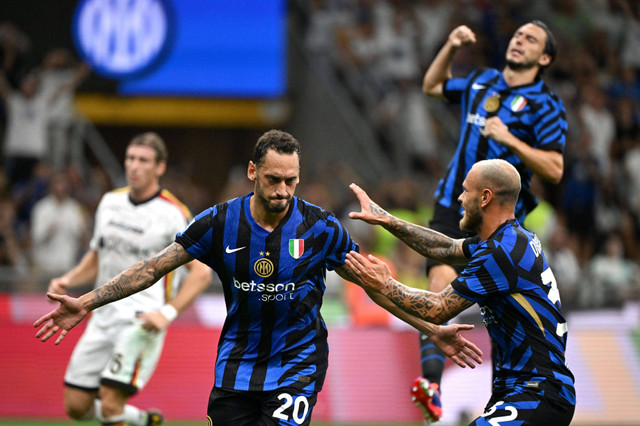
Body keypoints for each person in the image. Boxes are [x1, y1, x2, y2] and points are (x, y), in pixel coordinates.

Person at [35, 129, 484, 426]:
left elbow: (376, 288)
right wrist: (87, 301)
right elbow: (151, 269)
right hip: (237, 363)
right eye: (273, 179)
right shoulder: (217, 223)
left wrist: (430, 329)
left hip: (297, 363)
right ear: (253, 172)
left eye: (292, 180)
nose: (283, 191)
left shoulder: (320, 228)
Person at [344, 159, 576, 425]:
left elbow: (437, 308)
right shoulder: (510, 239)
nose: (460, 197)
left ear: (486, 197)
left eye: (466, 190)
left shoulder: (500, 253)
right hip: (523, 392)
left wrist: (385, 284)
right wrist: (387, 220)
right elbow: (445, 249)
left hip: (537, 393)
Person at [415, 20, 567, 423]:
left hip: (498, 221)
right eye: (518, 34)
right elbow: (432, 86)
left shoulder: (546, 105)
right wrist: (450, 45)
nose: (519, 40)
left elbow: (554, 167)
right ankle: (432, 382)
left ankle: (521, 396)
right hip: (454, 204)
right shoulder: (481, 81)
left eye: (531, 39)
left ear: (545, 58)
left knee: (497, 306)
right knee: (438, 283)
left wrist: (512, 140)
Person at [43, 132, 213, 426]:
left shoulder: (174, 214)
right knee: (77, 406)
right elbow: (97, 257)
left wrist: (167, 313)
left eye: (143, 160)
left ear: (159, 168)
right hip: (101, 316)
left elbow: (201, 272)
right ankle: (145, 421)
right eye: (130, 159)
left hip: (140, 320)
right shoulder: (110, 202)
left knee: (110, 404)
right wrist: (67, 280)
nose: (134, 166)